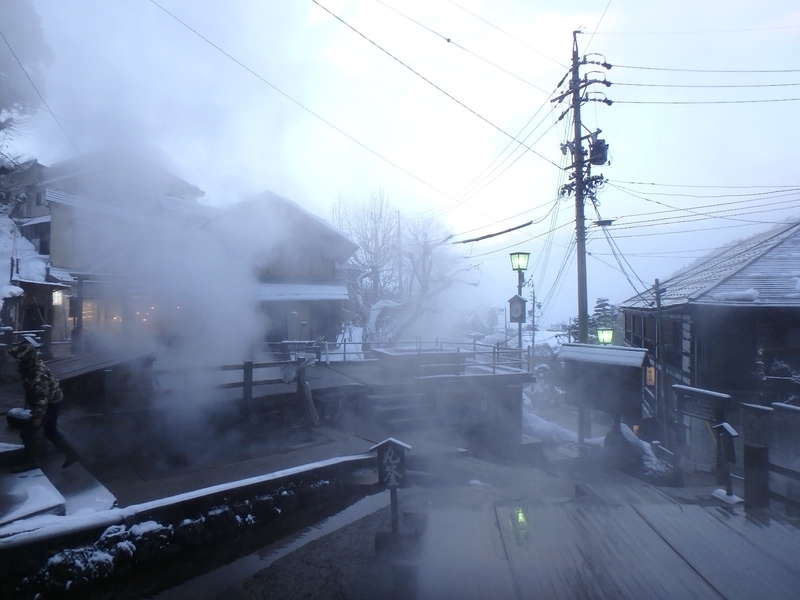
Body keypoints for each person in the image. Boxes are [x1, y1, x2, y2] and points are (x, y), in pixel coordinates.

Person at [8, 341, 79, 472]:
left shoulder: (36, 375)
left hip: (48, 403)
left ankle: (32, 462)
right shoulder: (31, 367)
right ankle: (73, 453)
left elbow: (42, 397)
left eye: (18, 359)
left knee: (27, 432)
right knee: (51, 431)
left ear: (25, 360)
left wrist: (38, 416)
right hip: (54, 400)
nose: (15, 362)